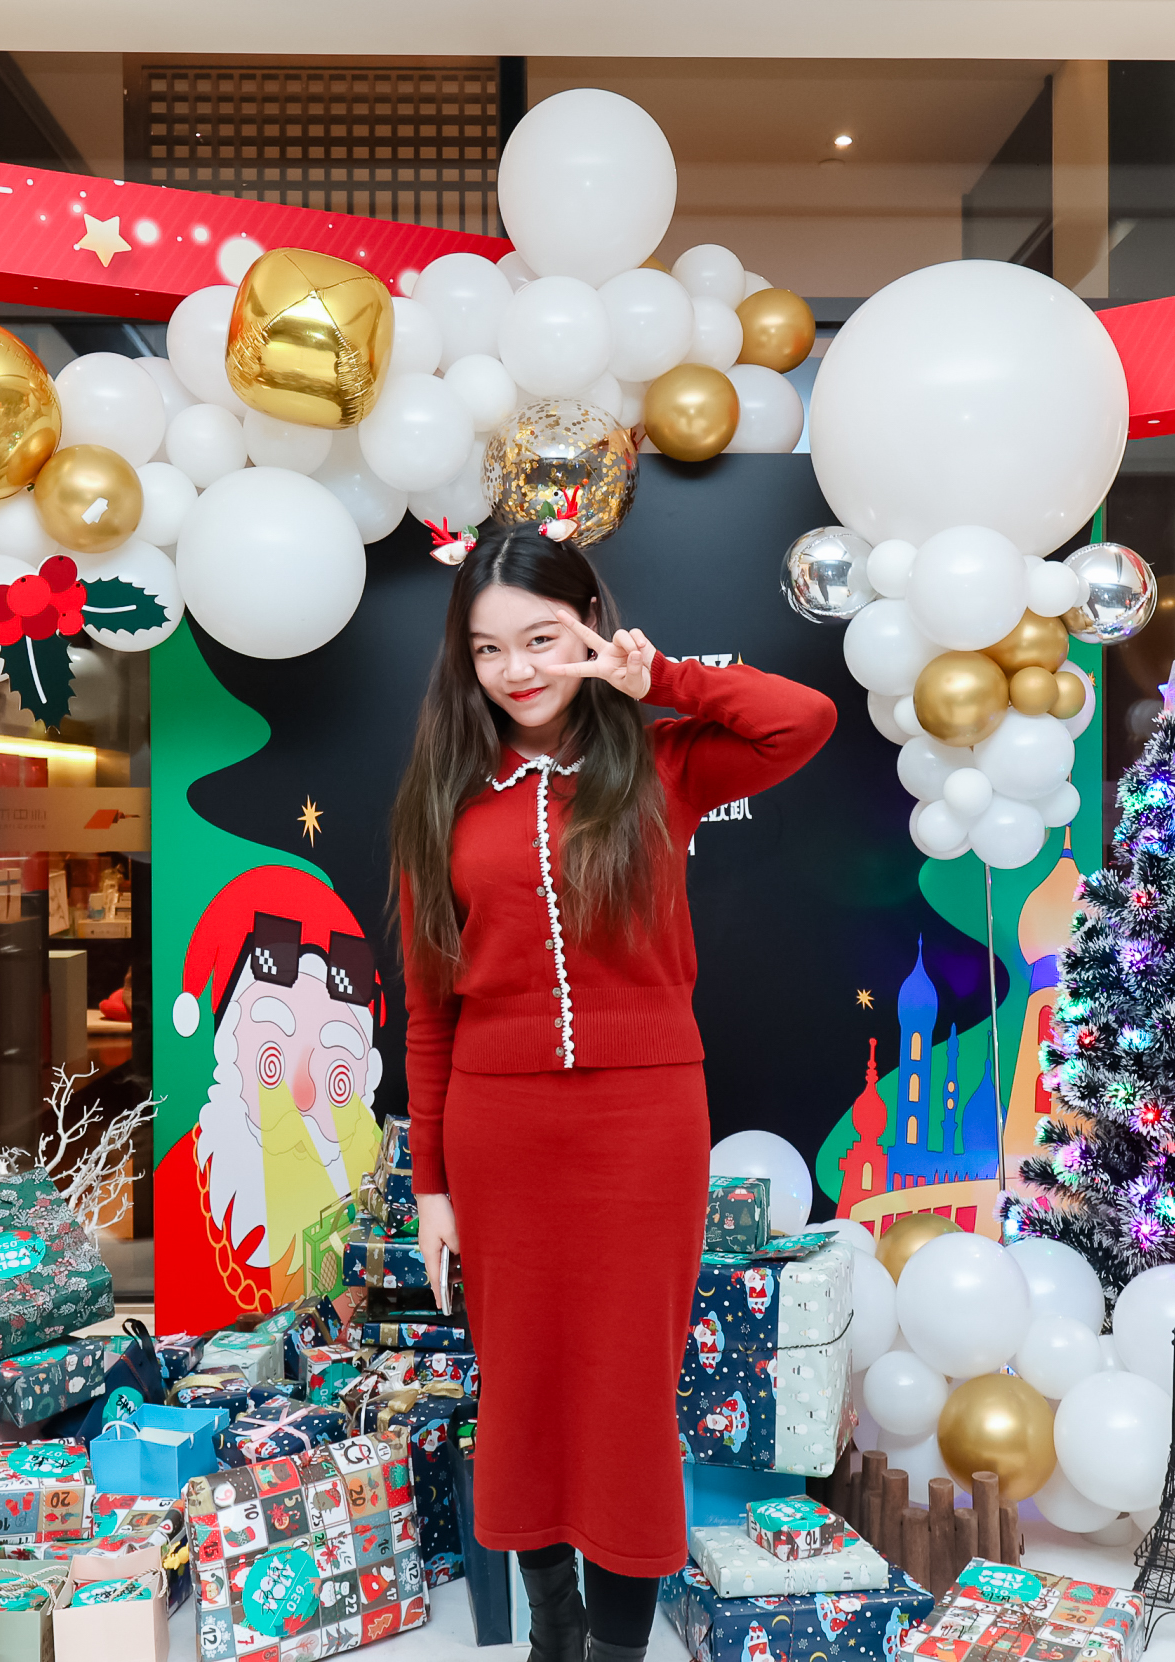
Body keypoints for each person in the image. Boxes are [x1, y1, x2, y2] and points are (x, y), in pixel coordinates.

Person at [389, 522, 836, 1662]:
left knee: (627, 1392)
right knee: (524, 1385)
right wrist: (430, 1185)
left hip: (644, 1125)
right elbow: (431, 1013)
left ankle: (617, 1650)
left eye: (542, 638)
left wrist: (659, 679)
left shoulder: (662, 762)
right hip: (498, 1135)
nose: (517, 669)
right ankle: (554, 1628)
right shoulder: (445, 797)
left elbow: (802, 720)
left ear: (590, 626)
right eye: (489, 649)